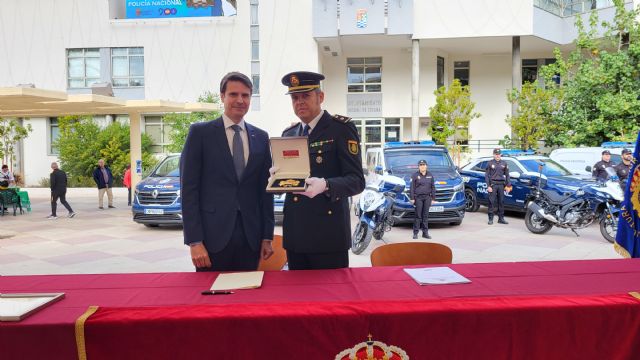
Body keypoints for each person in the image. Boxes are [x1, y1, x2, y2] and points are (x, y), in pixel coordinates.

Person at [181, 72, 274, 272]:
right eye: (233, 94)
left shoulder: (261, 137)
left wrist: (267, 236)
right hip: (212, 238)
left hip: (251, 239)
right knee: (213, 299)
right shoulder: (200, 134)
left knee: (247, 297)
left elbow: (265, 192)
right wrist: (194, 241)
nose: (240, 100)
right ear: (222, 96)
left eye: (246, 95)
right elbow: (189, 190)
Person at [276, 71, 365, 270]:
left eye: (305, 96)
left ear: (320, 97)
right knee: (299, 297)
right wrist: (276, 178)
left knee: (331, 297)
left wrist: (326, 185)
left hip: (328, 234)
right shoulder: (288, 135)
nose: (299, 102)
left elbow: (357, 180)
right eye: (294, 97)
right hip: (296, 234)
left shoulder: (341, 129)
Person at [410, 159, 436, 239]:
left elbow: (433, 187)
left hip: (427, 198)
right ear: (419, 167)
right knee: (418, 216)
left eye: (424, 165)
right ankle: (415, 233)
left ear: (426, 166)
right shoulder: (415, 175)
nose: (422, 166)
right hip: (418, 198)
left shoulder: (430, 175)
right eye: (421, 165)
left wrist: (433, 198)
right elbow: (412, 188)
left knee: (425, 216)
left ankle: (425, 233)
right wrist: (412, 198)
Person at [485, 148, 511, 225]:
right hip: (493, 185)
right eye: (496, 154)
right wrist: (488, 186)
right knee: (491, 202)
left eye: (499, 154)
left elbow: (507, 175)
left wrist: (508, 185)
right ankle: (490, 219)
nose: (497, 155)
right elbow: (486, 175)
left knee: (501, 202)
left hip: (501, 185)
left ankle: (501, 218)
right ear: (493, 155)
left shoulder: (504, 163)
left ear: (500, 155)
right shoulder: (490, 163)